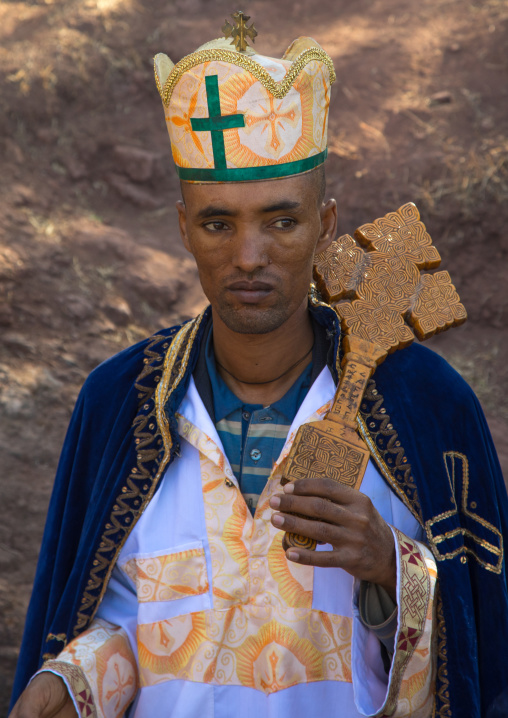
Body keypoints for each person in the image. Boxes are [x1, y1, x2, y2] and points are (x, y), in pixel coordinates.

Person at [9, 17, 508, 718]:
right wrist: (73, 681)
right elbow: (125, 627)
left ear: (327, 224)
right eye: (218, 224)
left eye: (281, 221)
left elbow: (488, 638)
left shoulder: (427, 404)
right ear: (183, 228)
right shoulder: (117, 404)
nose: (248, 256)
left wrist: (393, 568)